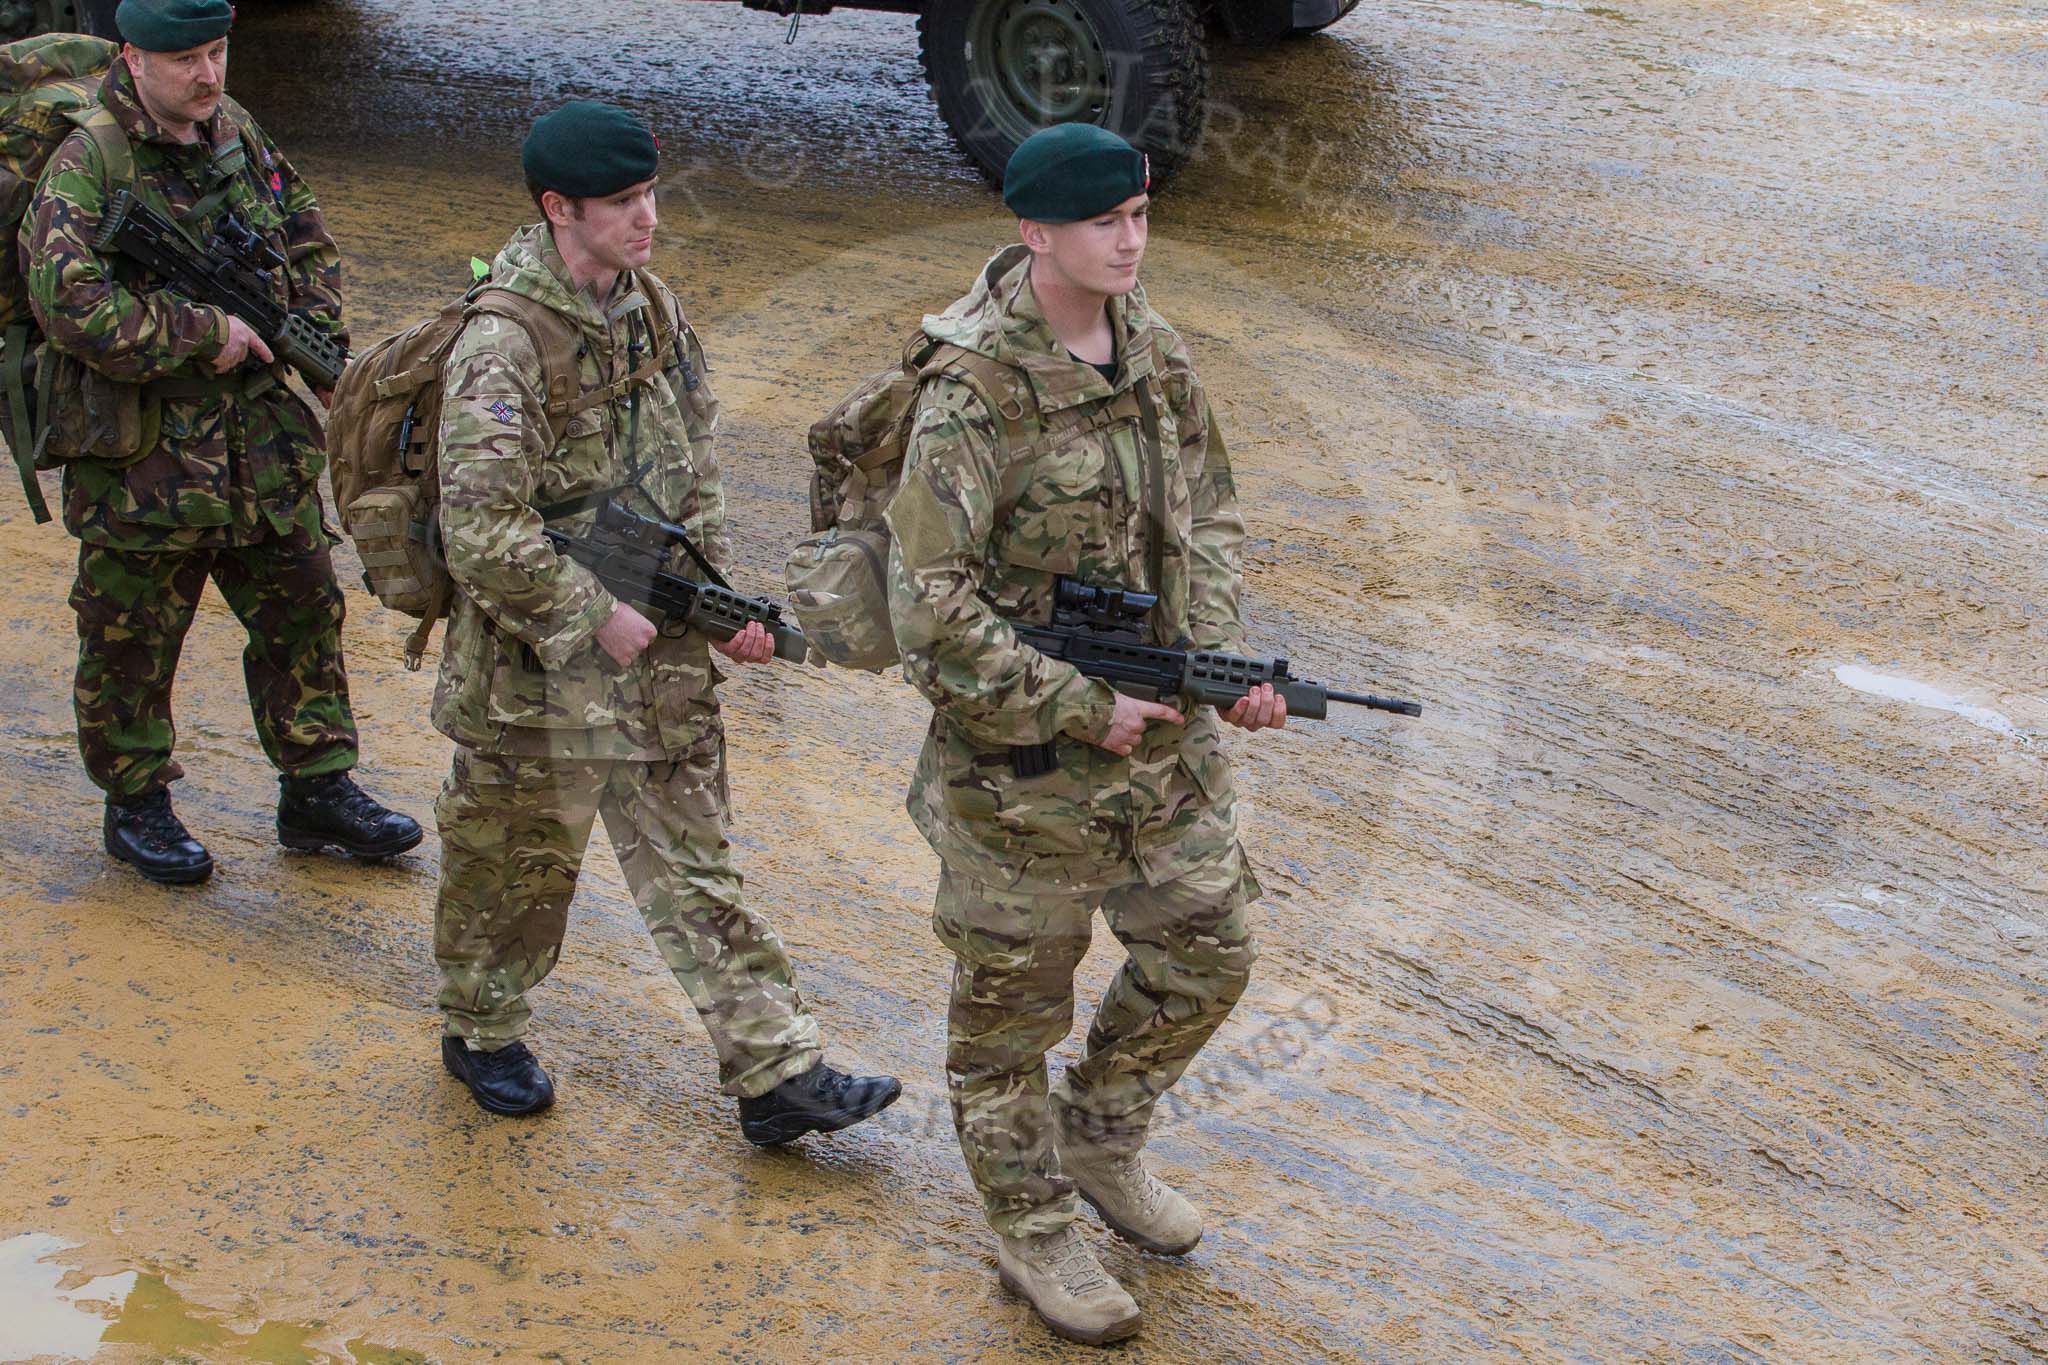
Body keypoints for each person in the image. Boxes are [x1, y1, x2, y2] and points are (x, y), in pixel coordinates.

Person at [429, 100, 901, 1143]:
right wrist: (591, 610)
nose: (649, 217)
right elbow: (479, 527)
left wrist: (713, 600)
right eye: (623, 202)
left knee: (695, 863)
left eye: (649, 194)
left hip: (659, 650)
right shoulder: (503, 343)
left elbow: (697, 464)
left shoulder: (654, 309)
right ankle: (481, 1029)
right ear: (559, 208)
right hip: (534, 664)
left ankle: (775, 1071)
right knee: (514, 871)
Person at [884, 123, 1286, 1345]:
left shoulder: (1149, 344)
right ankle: (1030, 1227)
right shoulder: (970, 394)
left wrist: (1212, 658)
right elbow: (927, 610)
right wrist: (1077, 704)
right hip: (1020, 771)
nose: (1128, 240)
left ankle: (1100, 1138)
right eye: (1102, 221)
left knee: (1209, 951)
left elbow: (1208, 509)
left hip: (1160, 746)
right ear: (1033, 232)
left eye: (1138, 215)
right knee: (1008, 1017)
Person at [23, 0, 420, 885]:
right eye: (186, 59)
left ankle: (317, 785)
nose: (207, 74)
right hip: (144, 458)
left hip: (260, 444)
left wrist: (314, 335)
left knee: (305, 607)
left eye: (217, 52)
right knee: (131, 635)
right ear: (134, 57)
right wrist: (203, 332)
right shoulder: (90, 159)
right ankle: (136, 802)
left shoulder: (233, 129)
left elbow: (305, 232)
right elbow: (68, 302)